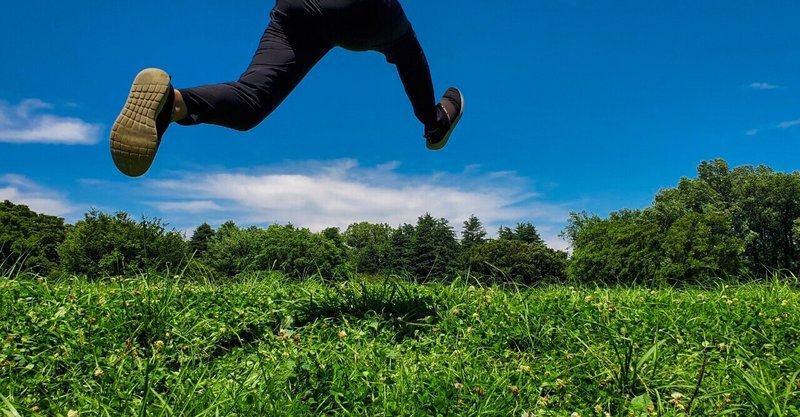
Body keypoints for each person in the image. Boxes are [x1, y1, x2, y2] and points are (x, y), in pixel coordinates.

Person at [110, 0, 464, 177]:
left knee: (251, 98)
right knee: (406, 49)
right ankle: (433, 123)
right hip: (360, 11)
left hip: (295, 9)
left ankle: (175, 102)